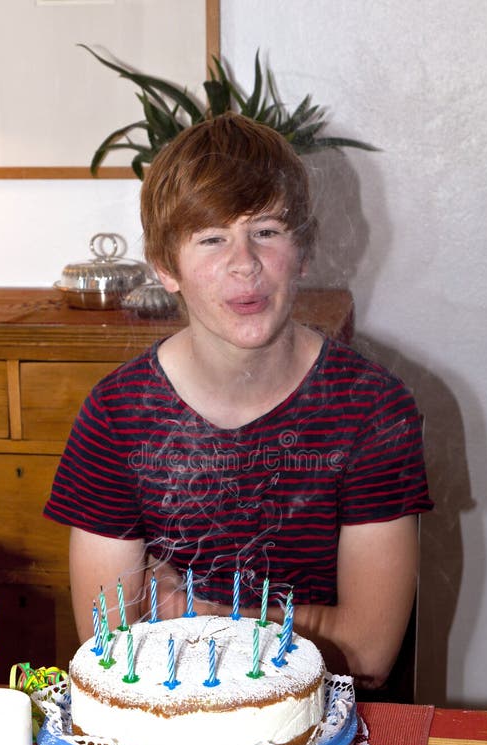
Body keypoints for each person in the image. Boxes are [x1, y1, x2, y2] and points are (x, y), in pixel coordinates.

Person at [44, 112, 433, 690]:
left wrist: (196, 611)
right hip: (168, 738)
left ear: (303, 250)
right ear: (164, 265)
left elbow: (368, 654)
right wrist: (308, 624)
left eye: (267, 231)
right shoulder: (117, 416)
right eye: (211, 238)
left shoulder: (372, 409)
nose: (244, 263)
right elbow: (108, 650)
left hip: (328, 744)